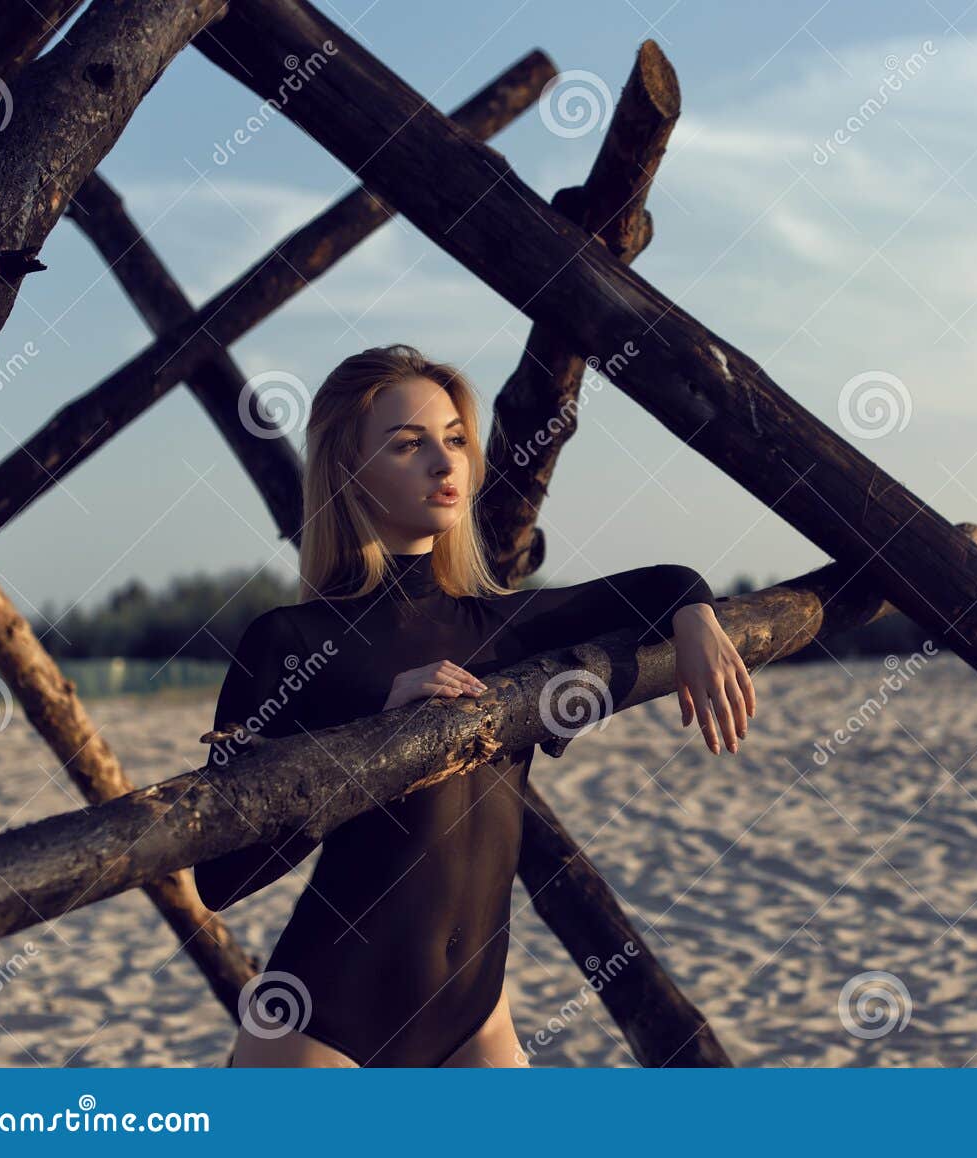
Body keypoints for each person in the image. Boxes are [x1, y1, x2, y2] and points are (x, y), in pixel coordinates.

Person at [197, 344, 754, 1068]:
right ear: (348, 471)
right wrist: (374, 742)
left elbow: (660, 584)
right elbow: (220, 878)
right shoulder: (288, 643)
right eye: (408, 444)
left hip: (476, 1028)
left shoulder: (497, 628)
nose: (444, 461)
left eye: (455, 439)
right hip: (321, 1031)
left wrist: (696, 617)